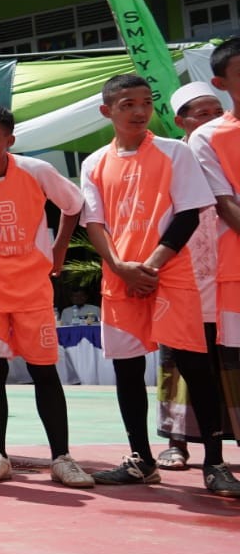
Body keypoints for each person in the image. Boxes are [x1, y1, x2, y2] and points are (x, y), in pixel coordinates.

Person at [81, 74, 239, 493]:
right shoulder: (93, 162)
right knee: (127, 370)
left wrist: (149, 266)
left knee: (195, 367)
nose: (138, 111)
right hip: (121, 279)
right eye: (127, 104)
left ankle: (215, 463)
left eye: (145, 102)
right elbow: (93, 221)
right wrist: (119, 265)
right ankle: (141, 459)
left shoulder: (174, 153)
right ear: (107, 111)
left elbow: (188, 213)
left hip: (171, 276)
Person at [0, 104, 94, 487]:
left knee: (45, 371)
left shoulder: (36, 171)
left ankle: (62, 457)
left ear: (9, 140)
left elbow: (73, 206)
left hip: (33, 289)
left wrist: (59, 249)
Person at [157, 80, 234, 469]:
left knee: (226, 359)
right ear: (181, 121)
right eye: (202, 113)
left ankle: (219, 445)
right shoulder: (171, 158)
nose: (212, 119)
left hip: (228, 269)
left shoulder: (227, 151)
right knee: (179, 356)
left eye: (216, 112)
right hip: (182, 268)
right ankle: (177, 442)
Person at [190, 38, 240, 486]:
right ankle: (216, 457)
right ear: (222, 83)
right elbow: (224, 202)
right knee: (232, 363)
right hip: (231, 271)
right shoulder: (208, 137)